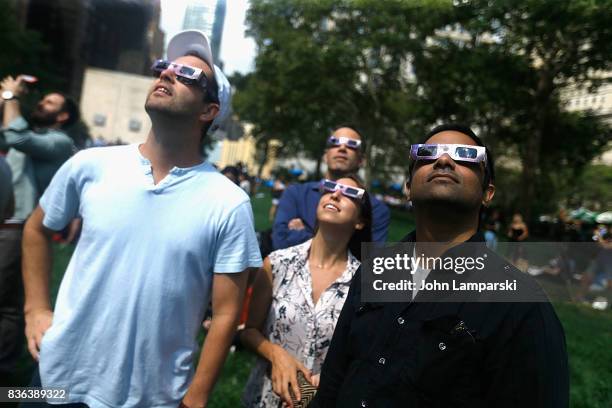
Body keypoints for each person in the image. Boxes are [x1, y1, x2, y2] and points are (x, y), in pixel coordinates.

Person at [21, 29, 262, 408]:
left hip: (150, 396)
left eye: (188, 75)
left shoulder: (229, 203)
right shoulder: (90, 164)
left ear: (209, 111)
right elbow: (36, 229)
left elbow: (228, 311)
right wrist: (35, 308)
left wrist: (197, 397)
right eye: (165, 67)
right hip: (54, 378)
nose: (167, 74)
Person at [312, 124, 568, 407]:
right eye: (427, 153)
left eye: (466, 155)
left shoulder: (522, 307)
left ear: (488, 192)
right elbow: (334, 376)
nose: (444, 160)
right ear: (408, 187)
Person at [241, 175, 372, 408]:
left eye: (350, 193)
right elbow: (249, 330)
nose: (336, 194)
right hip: (264, 399)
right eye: (330, 187)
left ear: (360, 221)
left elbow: (364, 354)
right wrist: (275, 354)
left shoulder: (366, 282)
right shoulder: (277, 263)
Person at [0, 79, 77, 382]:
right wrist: (6, 98)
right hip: (7, 222)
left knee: (6, 305)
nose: (41, 104)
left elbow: (16, 139)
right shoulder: (29, 133)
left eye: (50, 103)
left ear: (63, 117)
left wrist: (12, 96)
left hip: (18, 227)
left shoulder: (58, 141)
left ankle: (4, 377)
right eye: (41, 100)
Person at [272, 125, 390, 250]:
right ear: (325, 155)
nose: (342, 148)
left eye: (352, 145)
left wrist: (303, 234)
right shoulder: (295, 193)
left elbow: (369, 262)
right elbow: (280, 242)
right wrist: (343, 244)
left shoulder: (376, 209)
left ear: (361, 160)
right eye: (335, 143)